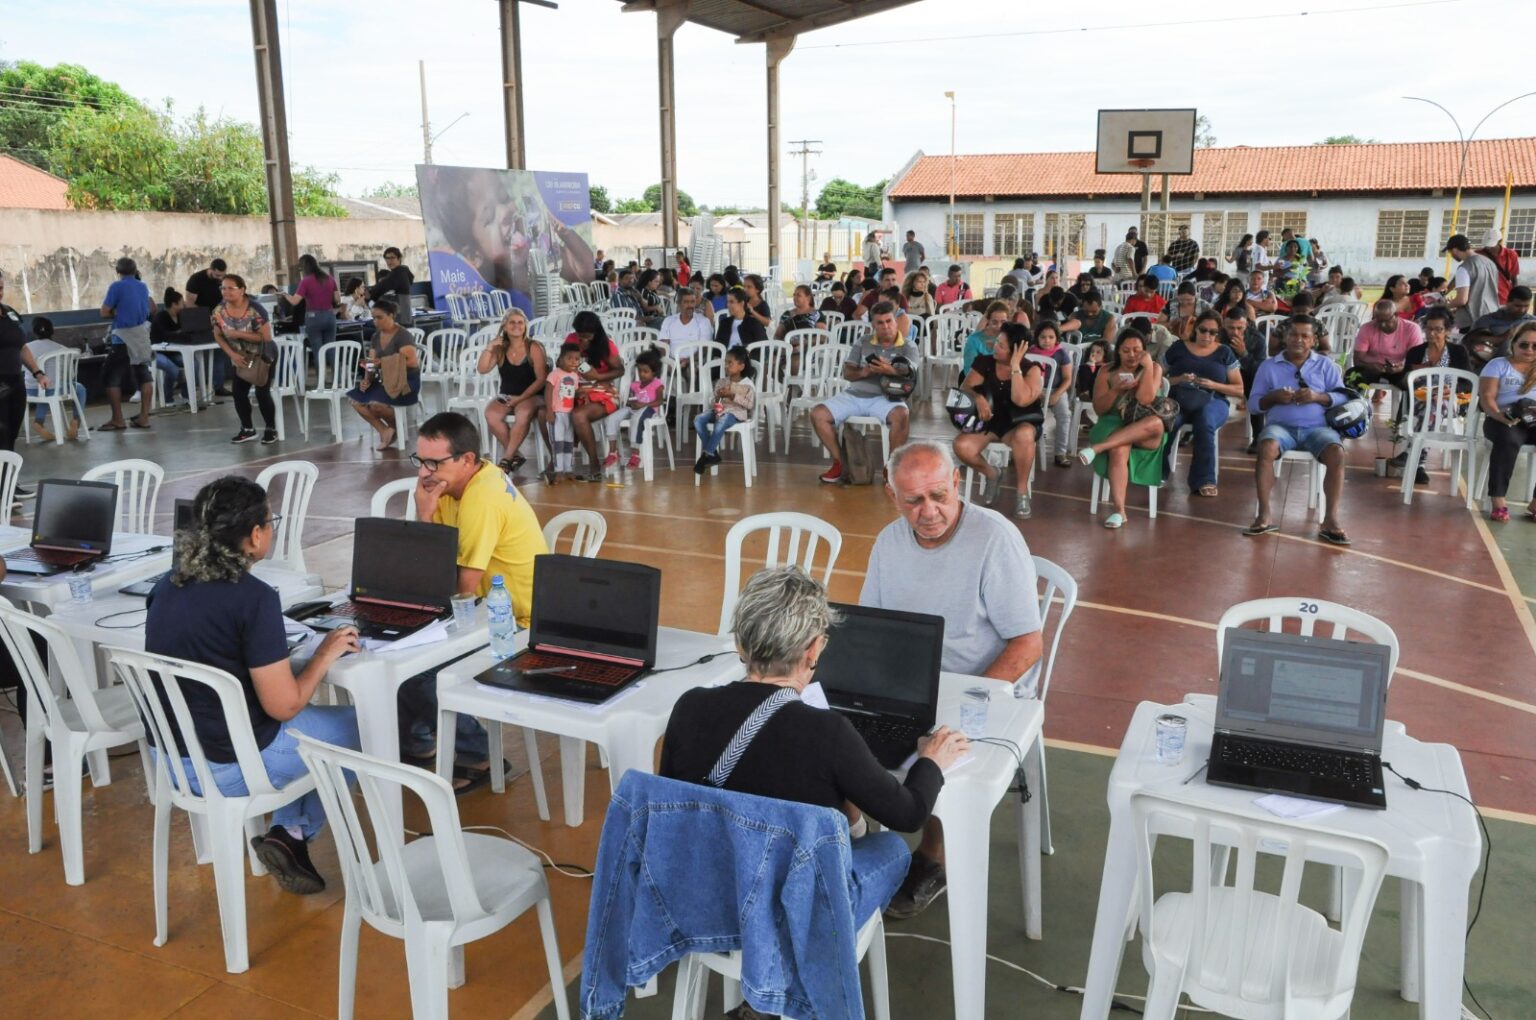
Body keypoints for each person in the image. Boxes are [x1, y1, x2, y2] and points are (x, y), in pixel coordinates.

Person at [658, 567, 966, 931]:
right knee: (893, 849)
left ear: (740, 644)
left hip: (709, 895)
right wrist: (931, 761)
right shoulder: (827, 732)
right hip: (793, 910)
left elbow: (676, 806)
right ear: (814, 649)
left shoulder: (690, 706)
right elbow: (909, 815)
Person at [145, 475, 361, 894]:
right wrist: (324, 653)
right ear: (256, 535)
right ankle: (295, 833)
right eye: (270, 522)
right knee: (359, 725)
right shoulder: (252, 597)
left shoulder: (166, 586)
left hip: (172, 761)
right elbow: (284, 706)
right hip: (232, 768)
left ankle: (288, 836)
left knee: (311, 732)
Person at [860, 440, 1043, 917]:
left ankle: (935, 856)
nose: (928, 512)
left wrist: (967, 698)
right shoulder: (889, 542)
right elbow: (874, 628)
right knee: (836, 735)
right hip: (911, 686)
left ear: (958, 483)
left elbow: (1028, 644)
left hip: (985, 688)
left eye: (939, 495)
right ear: (892, 495)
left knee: (945, 746)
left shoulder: (994, 539)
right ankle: (855, 842)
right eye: (913, 500)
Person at [405, 412, 548, 782]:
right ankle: (418, 738)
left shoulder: (482, 498)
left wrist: (424, 519)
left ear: (467, 460)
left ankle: (478, 755)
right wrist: (427, 515)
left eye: (434, 462)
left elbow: (460, 592)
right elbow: (432, 565)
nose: (423, 472)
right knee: (392, 652)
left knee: (417, 673)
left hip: (517, 621)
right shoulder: (449, 487)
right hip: (484, 612)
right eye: (420, 460)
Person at [1245, 315, 1350, 544]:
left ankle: (1330, 519)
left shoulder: (1325, 365)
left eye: (1305, 336)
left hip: (1317, 429)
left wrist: (1318, 397)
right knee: (1266, 447)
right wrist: (1273, 397)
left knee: (1337, 453)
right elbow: (1253, 405)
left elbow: (1343, 397)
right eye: (1293, 334)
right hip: (1280, 428)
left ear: (1313, 340)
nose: (1298, 340)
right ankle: (1264, 514)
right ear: (1285, 337)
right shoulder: (1268, 366)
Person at [812, 302, 921, 484]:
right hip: (855, 394)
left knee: (902, 415)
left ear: (895, 322)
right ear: (873, 325)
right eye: (880, 323)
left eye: (889, 321)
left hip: (887, 397)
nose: (885, 326)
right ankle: (840, 464)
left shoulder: (908, 346)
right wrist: (864, 372)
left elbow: (912, 374)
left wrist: (890, 370)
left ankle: (892, 468)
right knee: (818, 414)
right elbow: (847, 373)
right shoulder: (863, 341)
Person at [1077, 329, 1168, 528]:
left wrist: (1147, 368)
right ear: (1118, 351)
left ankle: (1097, 448)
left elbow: (1145, 400)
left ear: (1145, 351)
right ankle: (1119, 511)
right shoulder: (1107, 371)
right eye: (1126, 351)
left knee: (1156, 423)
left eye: (1137, 350)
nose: (1132, 355)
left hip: (1145, 429)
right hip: (1113, 423)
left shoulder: (1154, 368)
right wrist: (1116, 389)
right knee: (1118, 449)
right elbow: (1099, 409)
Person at [954, 323, 1045, 517]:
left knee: (1025, 435)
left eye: (1002, 345)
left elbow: (1020, 400)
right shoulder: (985, 362)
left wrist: (1015, 366)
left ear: (1016, 351)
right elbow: (965, 388)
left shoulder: (1031, 370)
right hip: (990, 422)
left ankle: (1022, 493)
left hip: (1019, 423)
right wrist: (978, 397)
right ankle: (992, 474)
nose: (995, 346)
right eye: (997, 342)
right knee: (961, 446)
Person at [1164, 310, 1244, 497]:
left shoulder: (1224, 352)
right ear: (1195, 328)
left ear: (1218, 333)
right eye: (1203, 330)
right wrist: (1179, 379)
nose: (1207, 335)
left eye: (1213, 332)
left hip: (1214, 399)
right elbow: (1157, 377)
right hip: (1179, 398)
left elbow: (1239, 389)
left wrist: (1213, 385)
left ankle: (1204, 479)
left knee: (1205, 420)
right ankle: (1157, 470)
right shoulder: (1178, 347)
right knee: (1167, 421)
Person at [1477, 321, 1536, 522]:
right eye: (1524, 344)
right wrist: (1498, 415)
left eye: (1535, 346)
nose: (1529, 350)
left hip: (1533, 420)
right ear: (1514, 344)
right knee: (1508, 440)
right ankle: (1498, 500)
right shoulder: (1498, 365)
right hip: (1503, 418)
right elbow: (1487, 397)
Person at [477, 307, 547, 473]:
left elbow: (541, 379)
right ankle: (515, 454)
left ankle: (507, 459)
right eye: (512, 323)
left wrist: (520, 398)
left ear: (525, 326)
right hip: (508, 394)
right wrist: (489, 347)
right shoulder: (500, 348)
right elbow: (482, 369)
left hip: (533, 394)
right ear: (505, 326)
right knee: (491, 414)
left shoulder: (533, 347)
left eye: (520, 322)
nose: (516, 326)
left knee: (522, 412)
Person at [210, 274, 278, 444]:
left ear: (241, 290)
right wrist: (232, 354)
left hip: (262, 354)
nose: (226, 291)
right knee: (239, 392)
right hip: (240, 356)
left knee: (262, 392)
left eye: (230, 288)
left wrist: (238, 334)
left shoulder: (255, 310)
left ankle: (271, 429)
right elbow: (218, 335)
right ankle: (247, 429)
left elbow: (265, 338)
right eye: (223, 288)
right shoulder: (219, 311)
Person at [346, 297, 420, 451]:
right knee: (356, 401)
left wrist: (383, 363)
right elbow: (371, 362)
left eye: (380, 317)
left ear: (391, 316)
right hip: (385, 380)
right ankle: (384, 430)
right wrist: (367, 380)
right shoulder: (375, 337)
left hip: (406, 380)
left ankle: (396, 428)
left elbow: (412, 362)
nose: (376, 321)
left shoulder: (403, 335)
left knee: (376, 404)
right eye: (374, 318)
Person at [563, 312, 624, 482]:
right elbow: (562, 364)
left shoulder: (606, 345)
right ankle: (558, 463)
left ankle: (594, 463)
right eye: (580, 336)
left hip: (603, 391)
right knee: (551, 411)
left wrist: (597, 376)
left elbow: (620, 370)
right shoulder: (571, 340)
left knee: (578, 415)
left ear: (596, 332)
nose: (583, 340)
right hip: (577, 389)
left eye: (588, 337)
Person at [98, 257, 156, 432]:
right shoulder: (142, 286)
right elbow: (151, 309)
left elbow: (104, 312)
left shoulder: (116, 287)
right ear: (135, 270)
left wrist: (118, 311)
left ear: (117, 271)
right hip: (141, 335)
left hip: (122, 338)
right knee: (143, 375)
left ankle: (118, 419)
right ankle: (144, 417)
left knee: (111, 377)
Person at [0, 273, 52, 456]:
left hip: (15, 381)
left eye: (1, 288)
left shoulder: (9, 313)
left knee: (11, 432)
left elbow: (22, 347)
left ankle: (7, 474)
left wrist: (38, 373)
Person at [694, 346, 756, 474]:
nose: (726, 366)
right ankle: (712, 454)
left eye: (730, 363)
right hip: (719, 411)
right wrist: (717, 398)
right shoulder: (721, 382)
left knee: (721, 420)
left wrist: (732, 396)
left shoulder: (747, 384)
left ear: (741, 366)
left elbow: (750, 405)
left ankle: (706, 454)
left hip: (735, 414)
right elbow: (713, 402)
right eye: (725, 363)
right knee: (698, 419)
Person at [21, 317, 81, 443]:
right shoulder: (62, 349)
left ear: (34, 332)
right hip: (54, 389)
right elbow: (70, 375)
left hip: (30, 390)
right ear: (52, 331)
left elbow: (22, 367)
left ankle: (39, 421)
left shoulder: (26, 348)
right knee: (80, 389)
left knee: (44, 389)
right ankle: (76, 420)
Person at [1351, 298, 1423, 400]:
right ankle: (1355, 408)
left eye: (1386, 321)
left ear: (1396, 315)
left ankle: (1406, 410)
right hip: (1371, 369)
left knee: (1414, 382)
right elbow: (1357, 360)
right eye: (1378, 321)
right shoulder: (1366, 328)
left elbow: (1416, 363)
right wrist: (1371, 366)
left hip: (1399, 370)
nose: (1382, 325)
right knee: (1351, 377)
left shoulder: (1412, 329)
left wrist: (1401, 368)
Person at [280, 254, 338, 364]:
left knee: (318, 351)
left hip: (314, 318)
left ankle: (321, 375)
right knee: (331, 349)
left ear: (303, 267)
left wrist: (284, 294)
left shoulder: (305, 281)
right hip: (330, 316)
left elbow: (294, 301)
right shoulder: (330, 278)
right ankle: (337, 374)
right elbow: (337, 299)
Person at [614, 348, 665, 472]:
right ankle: (614, 451)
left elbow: (660, 401)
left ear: (654, 372)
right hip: (637, 410)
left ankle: (635, 454)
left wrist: (643, 405)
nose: (642, 374)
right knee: (616, 417)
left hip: (650, 410)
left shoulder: (657, 384)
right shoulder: (635, 385)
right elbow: (632, 399)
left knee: (636, 419)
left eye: (645, 371)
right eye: (640, 370)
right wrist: (631, 402)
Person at [542, 342, 583, 483]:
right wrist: (549, 411)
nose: (573, 362)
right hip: (556, 414)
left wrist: (583, 395)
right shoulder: (554, 374)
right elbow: (548, 392)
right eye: (569, 358)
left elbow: (574, 393)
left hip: (569, 415)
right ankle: (558, 470)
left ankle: (568, 469)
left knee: (568, 443)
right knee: (557, 444)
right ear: (560, 359)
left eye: (577, 359)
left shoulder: (575, 376)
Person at [1444, 233, 1501, 331]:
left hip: (1472, 320)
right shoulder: (1489, 263)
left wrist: (1441, 306)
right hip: (1493, 316)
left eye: (1450, 252)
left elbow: (1461, 300)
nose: (1451, 255)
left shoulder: (1464, 268)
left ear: (1455, 250)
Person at [148, 287, 189, 404]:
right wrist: (179, 333)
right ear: (174, 304)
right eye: (182, 303)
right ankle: (168, 399)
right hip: (157, 353)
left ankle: (186, 395)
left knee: (192, 364)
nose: (184, 305)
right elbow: (165, 335)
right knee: (173, 369)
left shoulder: (181, 317)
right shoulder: (161, 317)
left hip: (173, 352)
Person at [1468, 285, 1534, 352]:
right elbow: (1470, 341)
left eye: (1526, 306)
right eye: (1518, 306)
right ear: (1507, 302)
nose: (1522, 310)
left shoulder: (1533, 322)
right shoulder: (1486, 321)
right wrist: (1502, 338)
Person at [660, 287, 715, 363]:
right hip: (671, 361)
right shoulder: (668, 321)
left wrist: (688, 361)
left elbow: (704, 348)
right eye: (686, 302)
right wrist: (669, 362)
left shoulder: (703, 321)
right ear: (678, 303)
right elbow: (663, 345)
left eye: (692, 302)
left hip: (694, 362)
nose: (690, 305)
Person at [368, 246, 414, 325]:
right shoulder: (402, 271)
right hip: (403, 317)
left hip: (399, 319)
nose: (390, 261)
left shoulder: (399, 272)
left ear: (399, 258)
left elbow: (381, 287)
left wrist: (370, 295)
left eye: (392, 258)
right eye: (387, 258)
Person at [960, 300, 1008, 376]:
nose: (999, 326)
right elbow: (968, 370)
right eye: (994, 322)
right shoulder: (974, 340)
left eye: (1003, 322)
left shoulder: (1009, 340)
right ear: (988, 321)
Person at [714, 286, 769, 350]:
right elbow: (717, 347)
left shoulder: (753, 323)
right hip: (725, 355)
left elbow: (764, 348)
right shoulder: (724, 323)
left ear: (741, 303)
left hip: (746, 356)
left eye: (731, 302)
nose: (728, 305)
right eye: (727, 302)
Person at [1479, 226, 1521, 305]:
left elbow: (1514, 279)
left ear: (1500, 241)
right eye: (1487, 245)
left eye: (1492, 245)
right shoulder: (1478, 254)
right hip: (1483, 300)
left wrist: (1514, 298)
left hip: (1504, 299)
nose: (1489, 248)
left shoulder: (1511, 254)